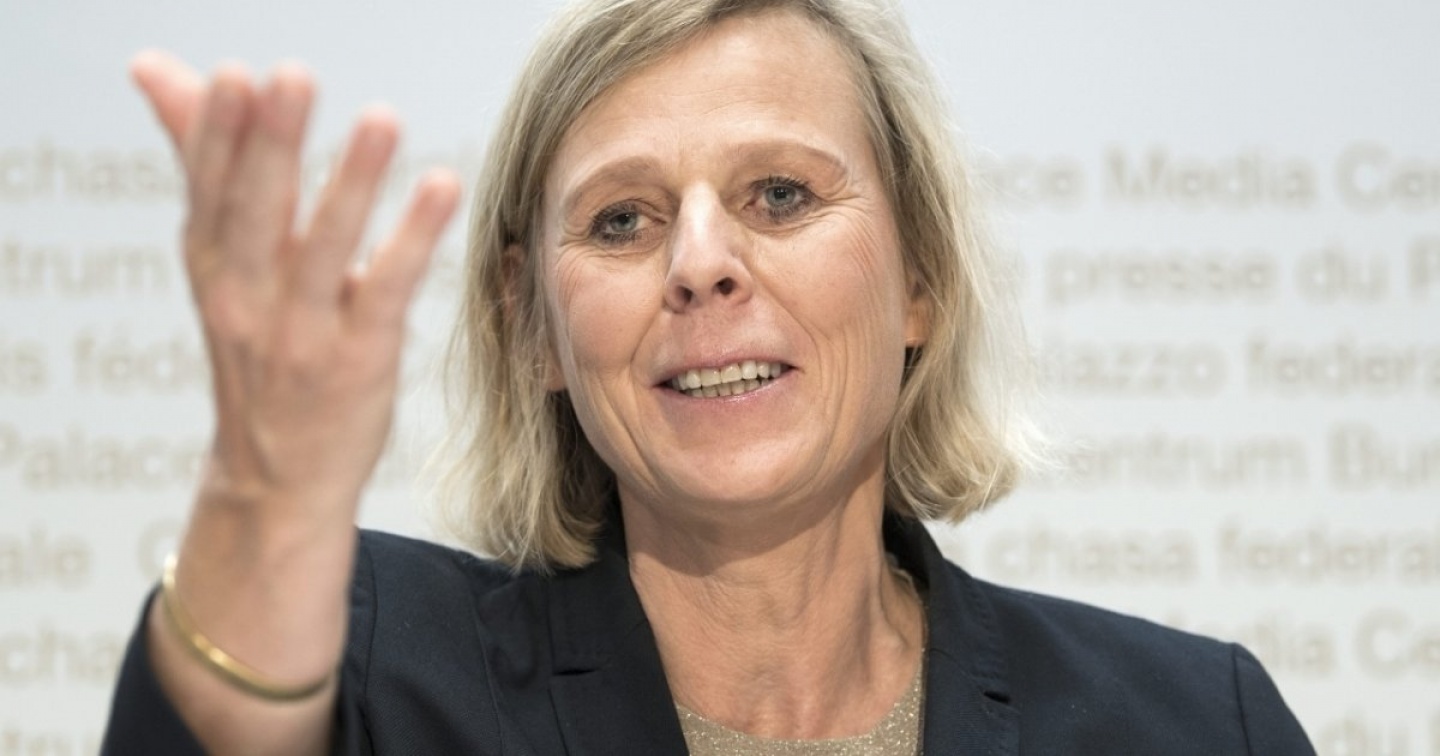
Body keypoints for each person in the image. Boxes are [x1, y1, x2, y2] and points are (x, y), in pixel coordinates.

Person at [101, 0, 1315, 753]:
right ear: (534, 330)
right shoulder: (378, 667)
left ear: (920, 280)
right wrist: (264, 491)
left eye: (778, 194)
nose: (699, 265)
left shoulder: (1195, 725)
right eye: (621, 221)